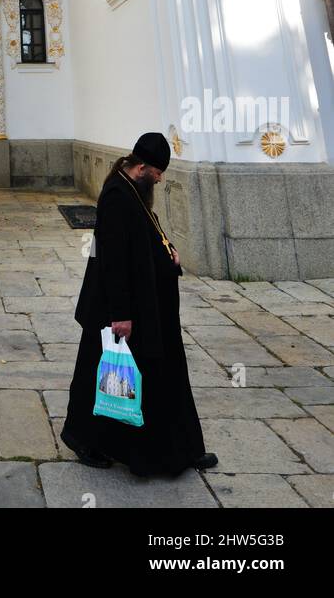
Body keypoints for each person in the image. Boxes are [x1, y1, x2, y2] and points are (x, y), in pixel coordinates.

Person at [60, 132, 218, 477]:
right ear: (142, 167)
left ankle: (182, 448)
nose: (161, 179)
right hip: (119, 309)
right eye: (158, 173)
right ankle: (87, 441)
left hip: (148, 305)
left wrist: (168, 250)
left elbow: (147, 233)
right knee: (100, 375)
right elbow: (114, 260)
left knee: (163, 374)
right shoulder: (117, 196)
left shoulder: (133, 188)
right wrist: (122, 315)